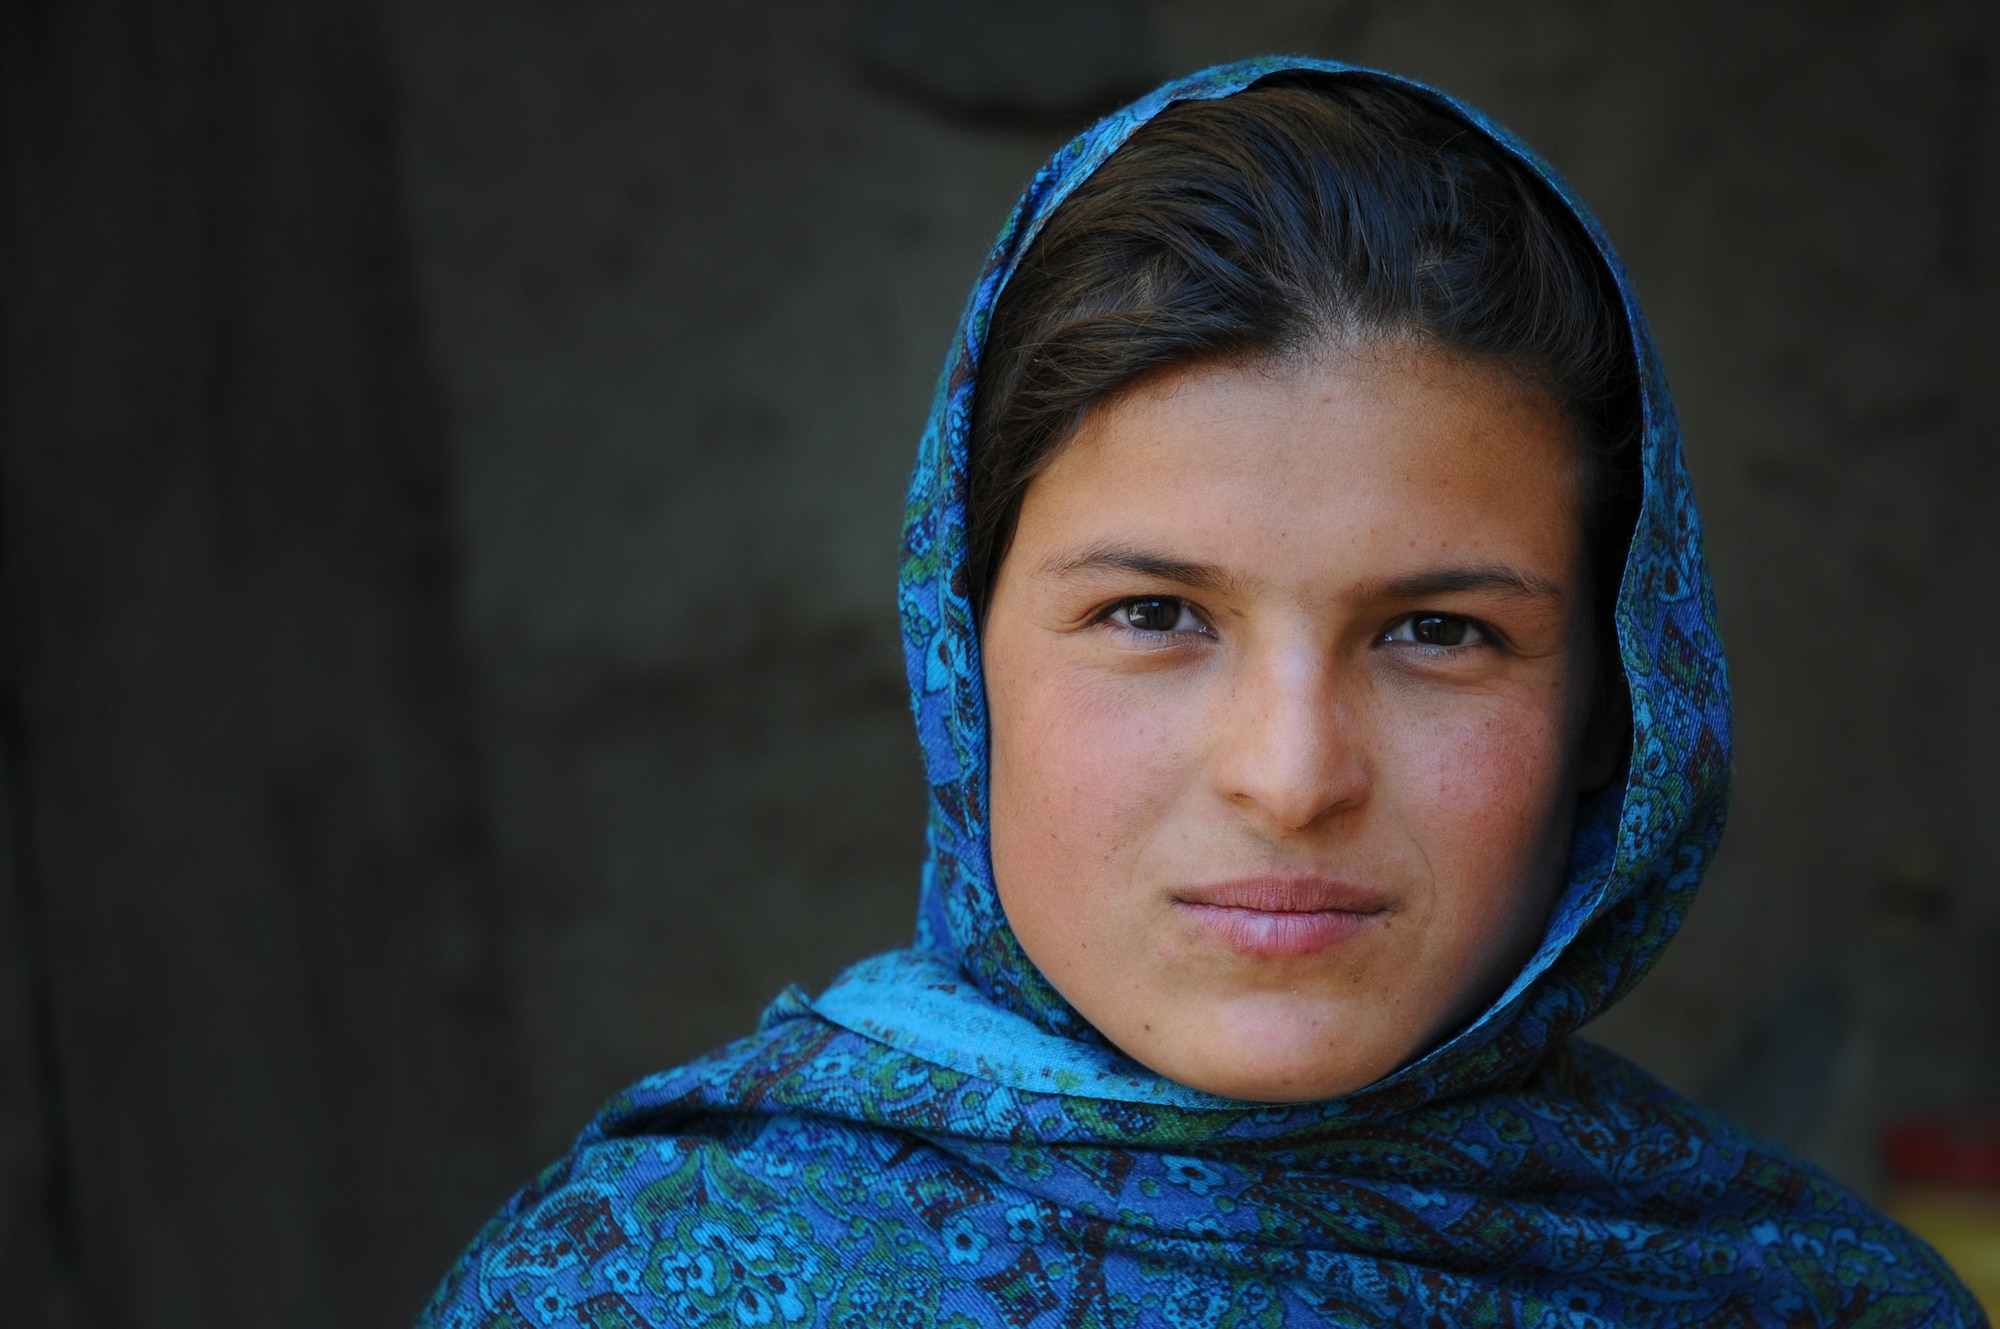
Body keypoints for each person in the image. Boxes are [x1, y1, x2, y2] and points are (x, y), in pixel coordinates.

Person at [419, 58, 1979, 1327]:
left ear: (1611, 715)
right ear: (963, 667)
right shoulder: (624, 1290)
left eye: (1437, 631)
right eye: (1153, 612)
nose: (1292, 772)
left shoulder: (1810, 1302)